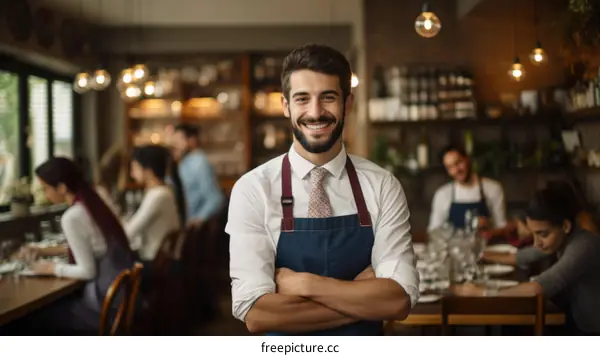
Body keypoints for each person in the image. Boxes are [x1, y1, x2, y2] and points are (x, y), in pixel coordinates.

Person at [226, 44, 418, 336]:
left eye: (328, 98)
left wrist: (305, 285)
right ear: (286, 105)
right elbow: (256, 314)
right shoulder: (253, 190)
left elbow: (397, 300)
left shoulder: (382, 185)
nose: (315, 113)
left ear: (348, 105)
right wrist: (362, 296)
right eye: (302, 99)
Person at [453, 187, 600, 335]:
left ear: (565, 226)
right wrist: (481, 254)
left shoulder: (584, 245)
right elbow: (522, 256)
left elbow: (537, 288)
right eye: (534, 234)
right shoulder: (561, 237)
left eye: (542, 234)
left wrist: (481, 292)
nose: (536, 243)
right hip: (575, 321)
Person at [16, 157, 135, 333]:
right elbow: (93, 246)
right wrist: (42, 250)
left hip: (101, 309)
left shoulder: (72, 217)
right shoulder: (93, 200)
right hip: (118, 300)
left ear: (62, 188)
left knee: (26, 320)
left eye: (46, 188)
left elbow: (87, 271)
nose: (45, 194)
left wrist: (51, 268)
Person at [125, 145, 182, 266]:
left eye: (134, 168)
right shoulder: (164, 191)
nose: (131, 174)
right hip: (160, 261)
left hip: (153, 263)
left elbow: (129, 232)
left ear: (148, 171)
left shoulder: (158, 195)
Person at [428, 145, 507, 231]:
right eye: (450, 167)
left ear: (467, 159)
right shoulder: (442, 194)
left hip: (485, 244)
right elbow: (433, 231)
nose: (456, 170)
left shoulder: (493, 188)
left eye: (458, 163)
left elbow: (502, 226)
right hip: (454, 244)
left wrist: (488, 225)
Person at [171, 123, 224, 230]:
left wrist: (198, 219)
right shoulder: (182, 162)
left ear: (192, 140)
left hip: (193, 226)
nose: (175, 144)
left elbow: (215, 198)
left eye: (179, 139)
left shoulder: (199, 162)